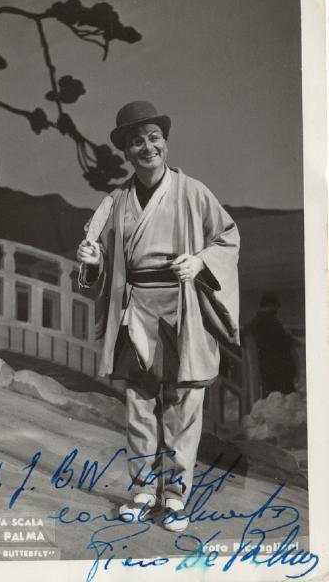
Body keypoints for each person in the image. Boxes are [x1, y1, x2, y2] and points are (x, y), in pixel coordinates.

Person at [77, 101, 240, 532]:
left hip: (182, 304)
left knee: (183, 405)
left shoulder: (193, 191)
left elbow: (227, 238)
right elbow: (101, 257)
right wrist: (93, 259)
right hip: (137, 308)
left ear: (164, 143)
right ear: (127, 152)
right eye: (137, 141)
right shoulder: (115, 201)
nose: (147, 147)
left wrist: (201, 262)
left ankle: (176, 496)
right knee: (138, 403)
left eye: (154, 138)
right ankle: (143, 489)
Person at [245, 292, 296, 398]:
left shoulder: (253, 322)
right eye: (276, 306)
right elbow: (281, 343)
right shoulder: (272, 322)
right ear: (270, 305)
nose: (277, 309)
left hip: (264, 365)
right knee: (283, 397)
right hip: (277, 367)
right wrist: (289, 338)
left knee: (270, 397)